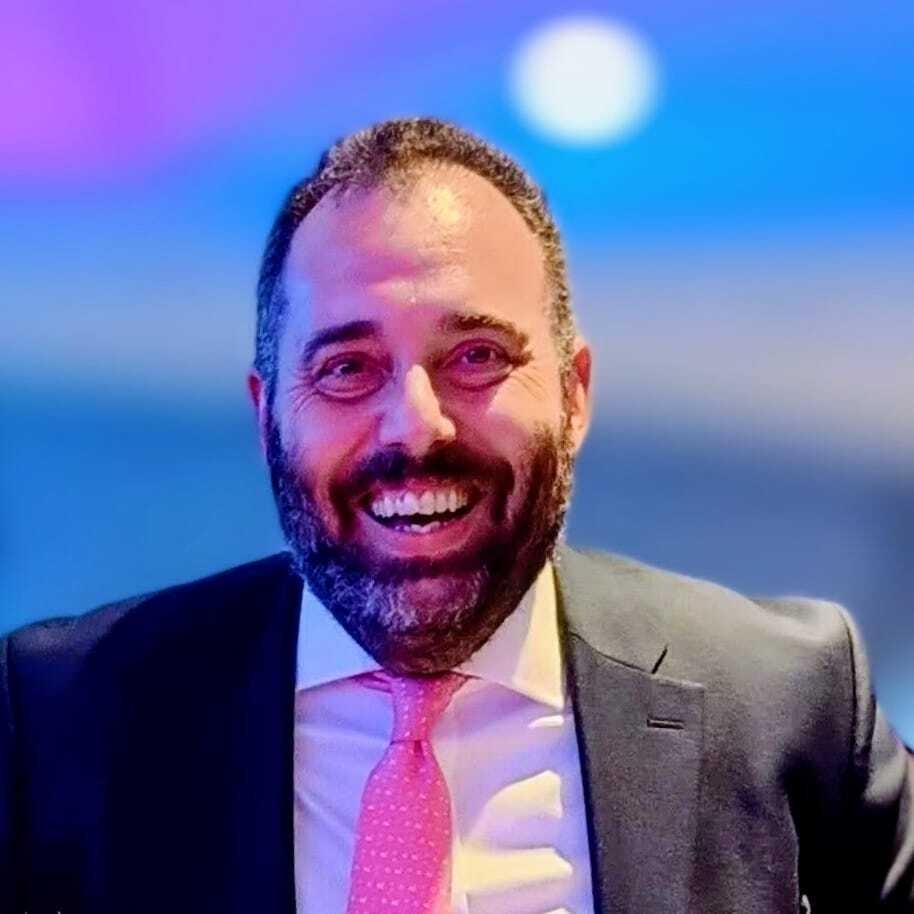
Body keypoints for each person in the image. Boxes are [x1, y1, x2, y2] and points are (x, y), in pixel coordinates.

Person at [0, 117, 911, 914]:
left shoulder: (791, 702)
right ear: (265, 414)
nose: (416, 426)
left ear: (575, 394)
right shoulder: (62, 718)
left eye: (477, 356)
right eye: (346, 368)